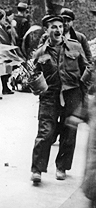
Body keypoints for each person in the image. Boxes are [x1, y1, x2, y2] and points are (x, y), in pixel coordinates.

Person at [31, 14, 92, 184]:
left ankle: (62, 167)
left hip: (72, 93)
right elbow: (34, 74)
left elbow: (88, 67)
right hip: (50, 95)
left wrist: (82, 89)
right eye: (53, 27)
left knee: (69, 131)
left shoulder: (75, 46)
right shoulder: (41, 52)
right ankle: (37, 170)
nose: (58, 30)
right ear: (46, 30)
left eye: (60, 26)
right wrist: (33, 83)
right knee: (45, 132)